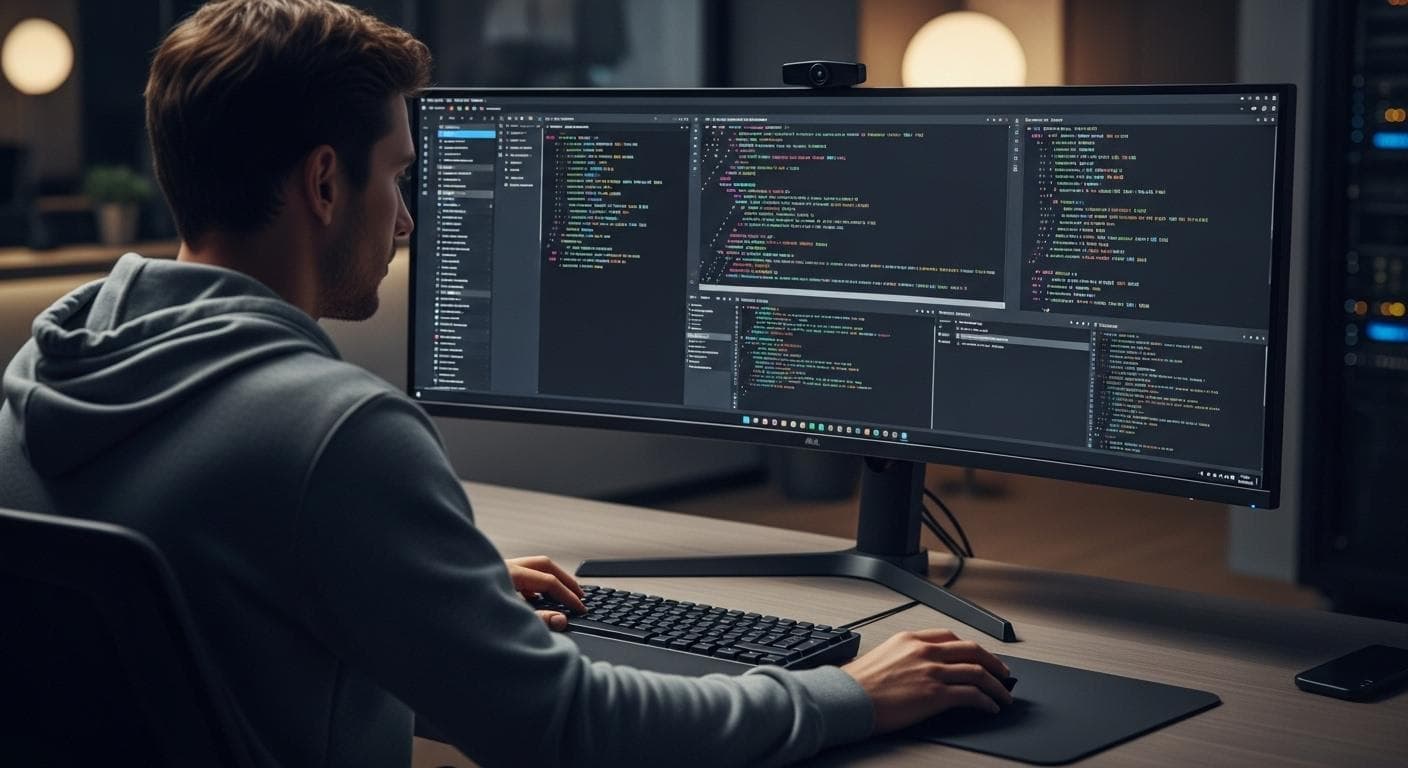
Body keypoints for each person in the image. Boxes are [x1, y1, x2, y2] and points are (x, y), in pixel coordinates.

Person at [0, 1, 1012, 765]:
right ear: (321, 183)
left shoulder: (46, 367)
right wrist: (853, 696)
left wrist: (433, 603)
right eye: (398, 176)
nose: (406, 222)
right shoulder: (337, 433)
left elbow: (222, 618)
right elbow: (559, 730)